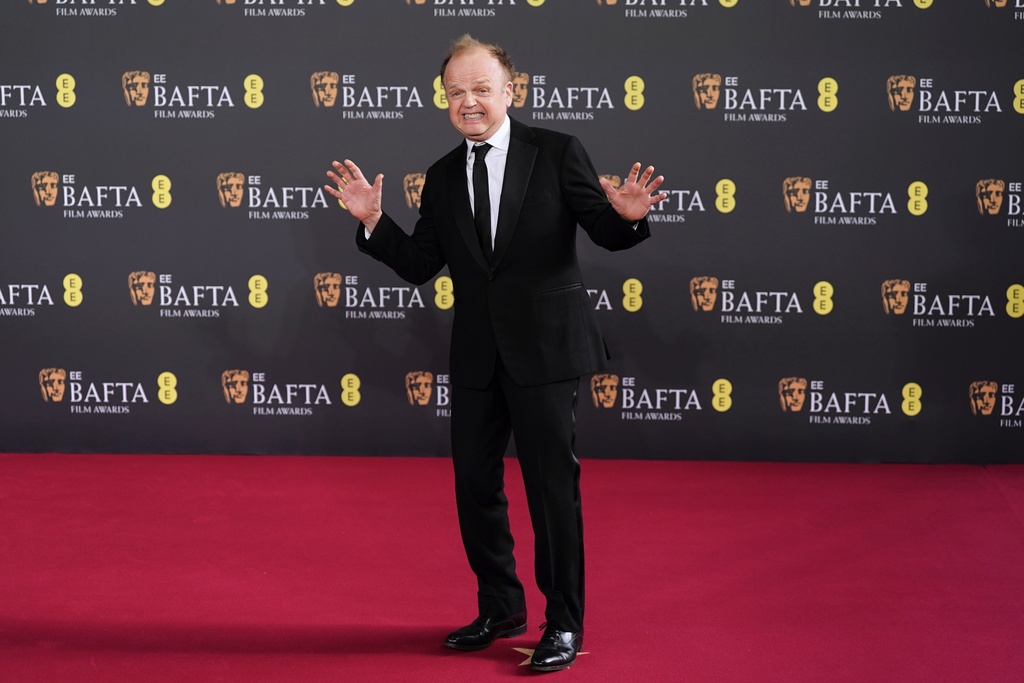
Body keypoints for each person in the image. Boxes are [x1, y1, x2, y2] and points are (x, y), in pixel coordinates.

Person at [324, 34, 665, 673]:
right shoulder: (442, 176)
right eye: (457, 92)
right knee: (475, 486)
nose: (469, 102)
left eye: (481, 89)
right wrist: (374, 222)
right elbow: (423, 263)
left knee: (549, 492)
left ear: (512, 90)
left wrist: (628, 218)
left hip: (544, 353)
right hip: (479, 357)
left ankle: (562, 622)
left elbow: (607, 232)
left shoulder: (559, 153)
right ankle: (501, 605)